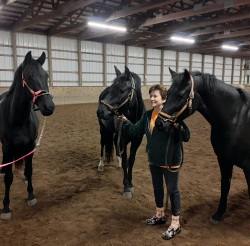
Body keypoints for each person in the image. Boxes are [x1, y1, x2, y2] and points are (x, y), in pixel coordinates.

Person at [117, 84, 190, 240]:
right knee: (157, 188)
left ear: (164, 98)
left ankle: (175, 224)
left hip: (170, 161)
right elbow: (136, 130)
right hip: (154, 159)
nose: (151, 99)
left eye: (155, 96)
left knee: (173, 190)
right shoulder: (147, 115)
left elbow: (186, 136)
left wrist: (179, 127)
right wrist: (126, 121)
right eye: (150, 96)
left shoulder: (173, 114)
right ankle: (160, 215)